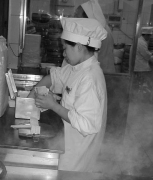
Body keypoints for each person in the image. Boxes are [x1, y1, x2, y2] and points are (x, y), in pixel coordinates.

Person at [28, 18, 108, 171]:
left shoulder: (89, 77)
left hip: (78, 154)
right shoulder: (76, 67)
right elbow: (53, 78)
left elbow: (86, 124)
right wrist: (29, 100)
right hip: (67, 143)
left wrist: (53, 105)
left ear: (78, 46)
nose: (64, 54)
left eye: (65, 49)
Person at [62, 0, 116, 73]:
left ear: (87, 18)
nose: (75, 18)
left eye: (77, 16)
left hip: (103, 72)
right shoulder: (102, 29)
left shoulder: (96, 34)